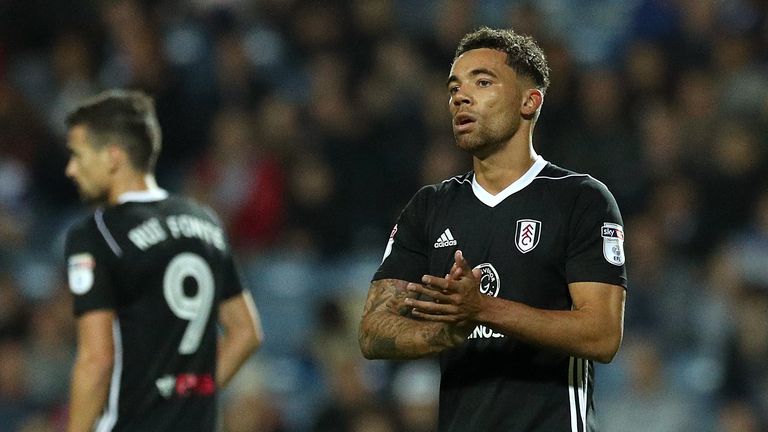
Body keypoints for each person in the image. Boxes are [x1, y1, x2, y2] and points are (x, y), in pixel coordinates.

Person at [358, 27, 627, 431]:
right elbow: (373, 332)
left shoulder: (581, 199)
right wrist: (447, 334)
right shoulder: (430, 208)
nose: (460, 98)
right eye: (453, 89)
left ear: (529, 101)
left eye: (482, 82)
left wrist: (484, 309)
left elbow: (602, 335)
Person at [63, 89, 264, 432]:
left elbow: (96, 360)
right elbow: (245, 332)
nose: (70, 169)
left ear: (113, 157)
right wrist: (190, 401)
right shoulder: (204, 222)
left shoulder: (97, 233)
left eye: (78, 156)